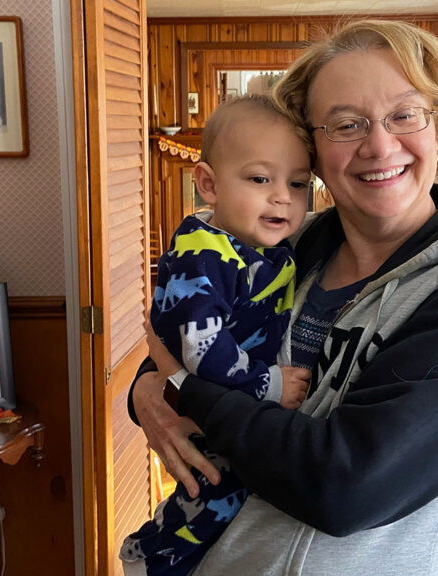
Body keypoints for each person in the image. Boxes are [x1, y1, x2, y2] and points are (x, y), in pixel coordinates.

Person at [129, 19, 438, 575]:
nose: (379, 144)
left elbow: (346, 486)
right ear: (314, 151)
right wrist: (146, 394)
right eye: (346, 124)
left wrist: (183, 390)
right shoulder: (279, 252)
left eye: (405, 114)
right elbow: (177, 340)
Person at [120, 94, 314, 576]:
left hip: (232, 413)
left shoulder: (267, 246)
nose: (282, 197)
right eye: (259, 179)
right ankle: (149, 558)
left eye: (298, 183)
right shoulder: (203, 255)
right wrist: (269, 384)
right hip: (217, 405)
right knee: (210, 496)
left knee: (221, 498)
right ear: (208, 183)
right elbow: (202, 352)